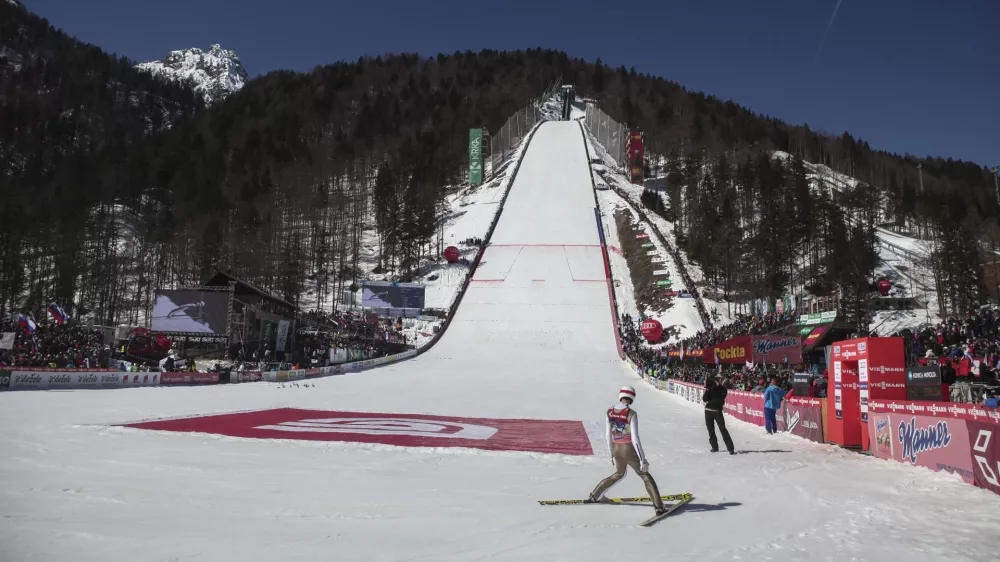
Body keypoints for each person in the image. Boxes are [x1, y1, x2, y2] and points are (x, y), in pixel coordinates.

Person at [589, 385, 667, 516]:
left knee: (619, 474)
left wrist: (611, 453)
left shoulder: (610, 412)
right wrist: (642, 459)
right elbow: (635, 438)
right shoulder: (631, 413)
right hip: (628, 448)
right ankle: (659, 508)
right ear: (632, 398)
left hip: (616, 447)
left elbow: (608, 435)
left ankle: (595, 495)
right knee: (645, 476)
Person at [702, 377, 735, 454]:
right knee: (711, 431)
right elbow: (704, 399)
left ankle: (730, 448)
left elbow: (720, 399)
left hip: (717, 412)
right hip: (708, 411)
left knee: (723, 430)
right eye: (718, 380)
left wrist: (715, 388)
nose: (720, 381)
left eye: (721, 380)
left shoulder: (723, 389)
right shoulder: (710, 389)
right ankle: (714, 447)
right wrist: (708, 389)